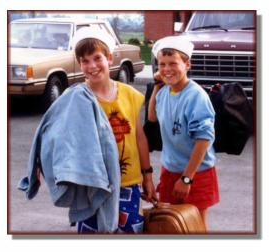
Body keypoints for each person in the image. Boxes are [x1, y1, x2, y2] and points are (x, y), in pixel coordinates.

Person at [72, 27, 157, 234]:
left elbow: (139, 137)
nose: (91, 66)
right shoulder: (77, 98)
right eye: (84, 60)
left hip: (128, 184)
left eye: (97, 58)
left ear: (109, 58)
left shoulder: (129, 94)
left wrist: (147, 176)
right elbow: (64, 140)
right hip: (92, 185)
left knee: (129, 232)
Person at [148, 35, 220, 229]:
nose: (166, 69)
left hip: (196, 172)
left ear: (187, 64)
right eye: (162, 64)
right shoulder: (164, 92)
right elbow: (152, 116)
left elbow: (204, 138)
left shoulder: (196, 96)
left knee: (195, 224)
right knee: (172, 224)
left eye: (173, 63)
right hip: (170, 169)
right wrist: (157, 85)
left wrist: (187, 178)